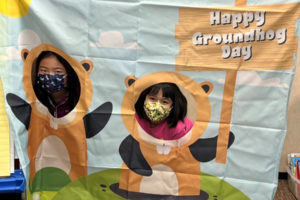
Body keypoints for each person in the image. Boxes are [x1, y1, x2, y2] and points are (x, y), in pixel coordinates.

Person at [33, 51, 80, 118]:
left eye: (58, 71)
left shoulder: (77, 98)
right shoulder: (34, 96)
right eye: (44, 70)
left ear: (68, 73)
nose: (50, 75)